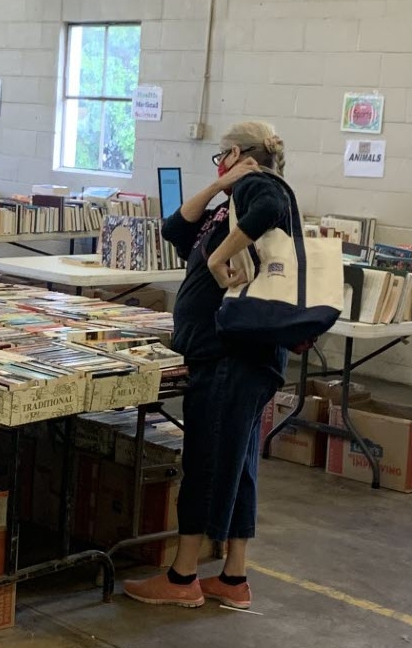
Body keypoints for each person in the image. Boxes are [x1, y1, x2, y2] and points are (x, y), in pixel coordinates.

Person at [123, 122, 291, 610]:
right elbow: (174, 229)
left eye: (219, 158)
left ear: (235, 152)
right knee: (236, 464)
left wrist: (219, 258)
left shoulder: (261, 187)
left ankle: (182, 577)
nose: (217, 165)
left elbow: (273, 206)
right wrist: (220, 185)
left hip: (231, 355)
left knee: (205, 461)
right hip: (226, 354)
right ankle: (233, 578)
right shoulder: (230, 203)